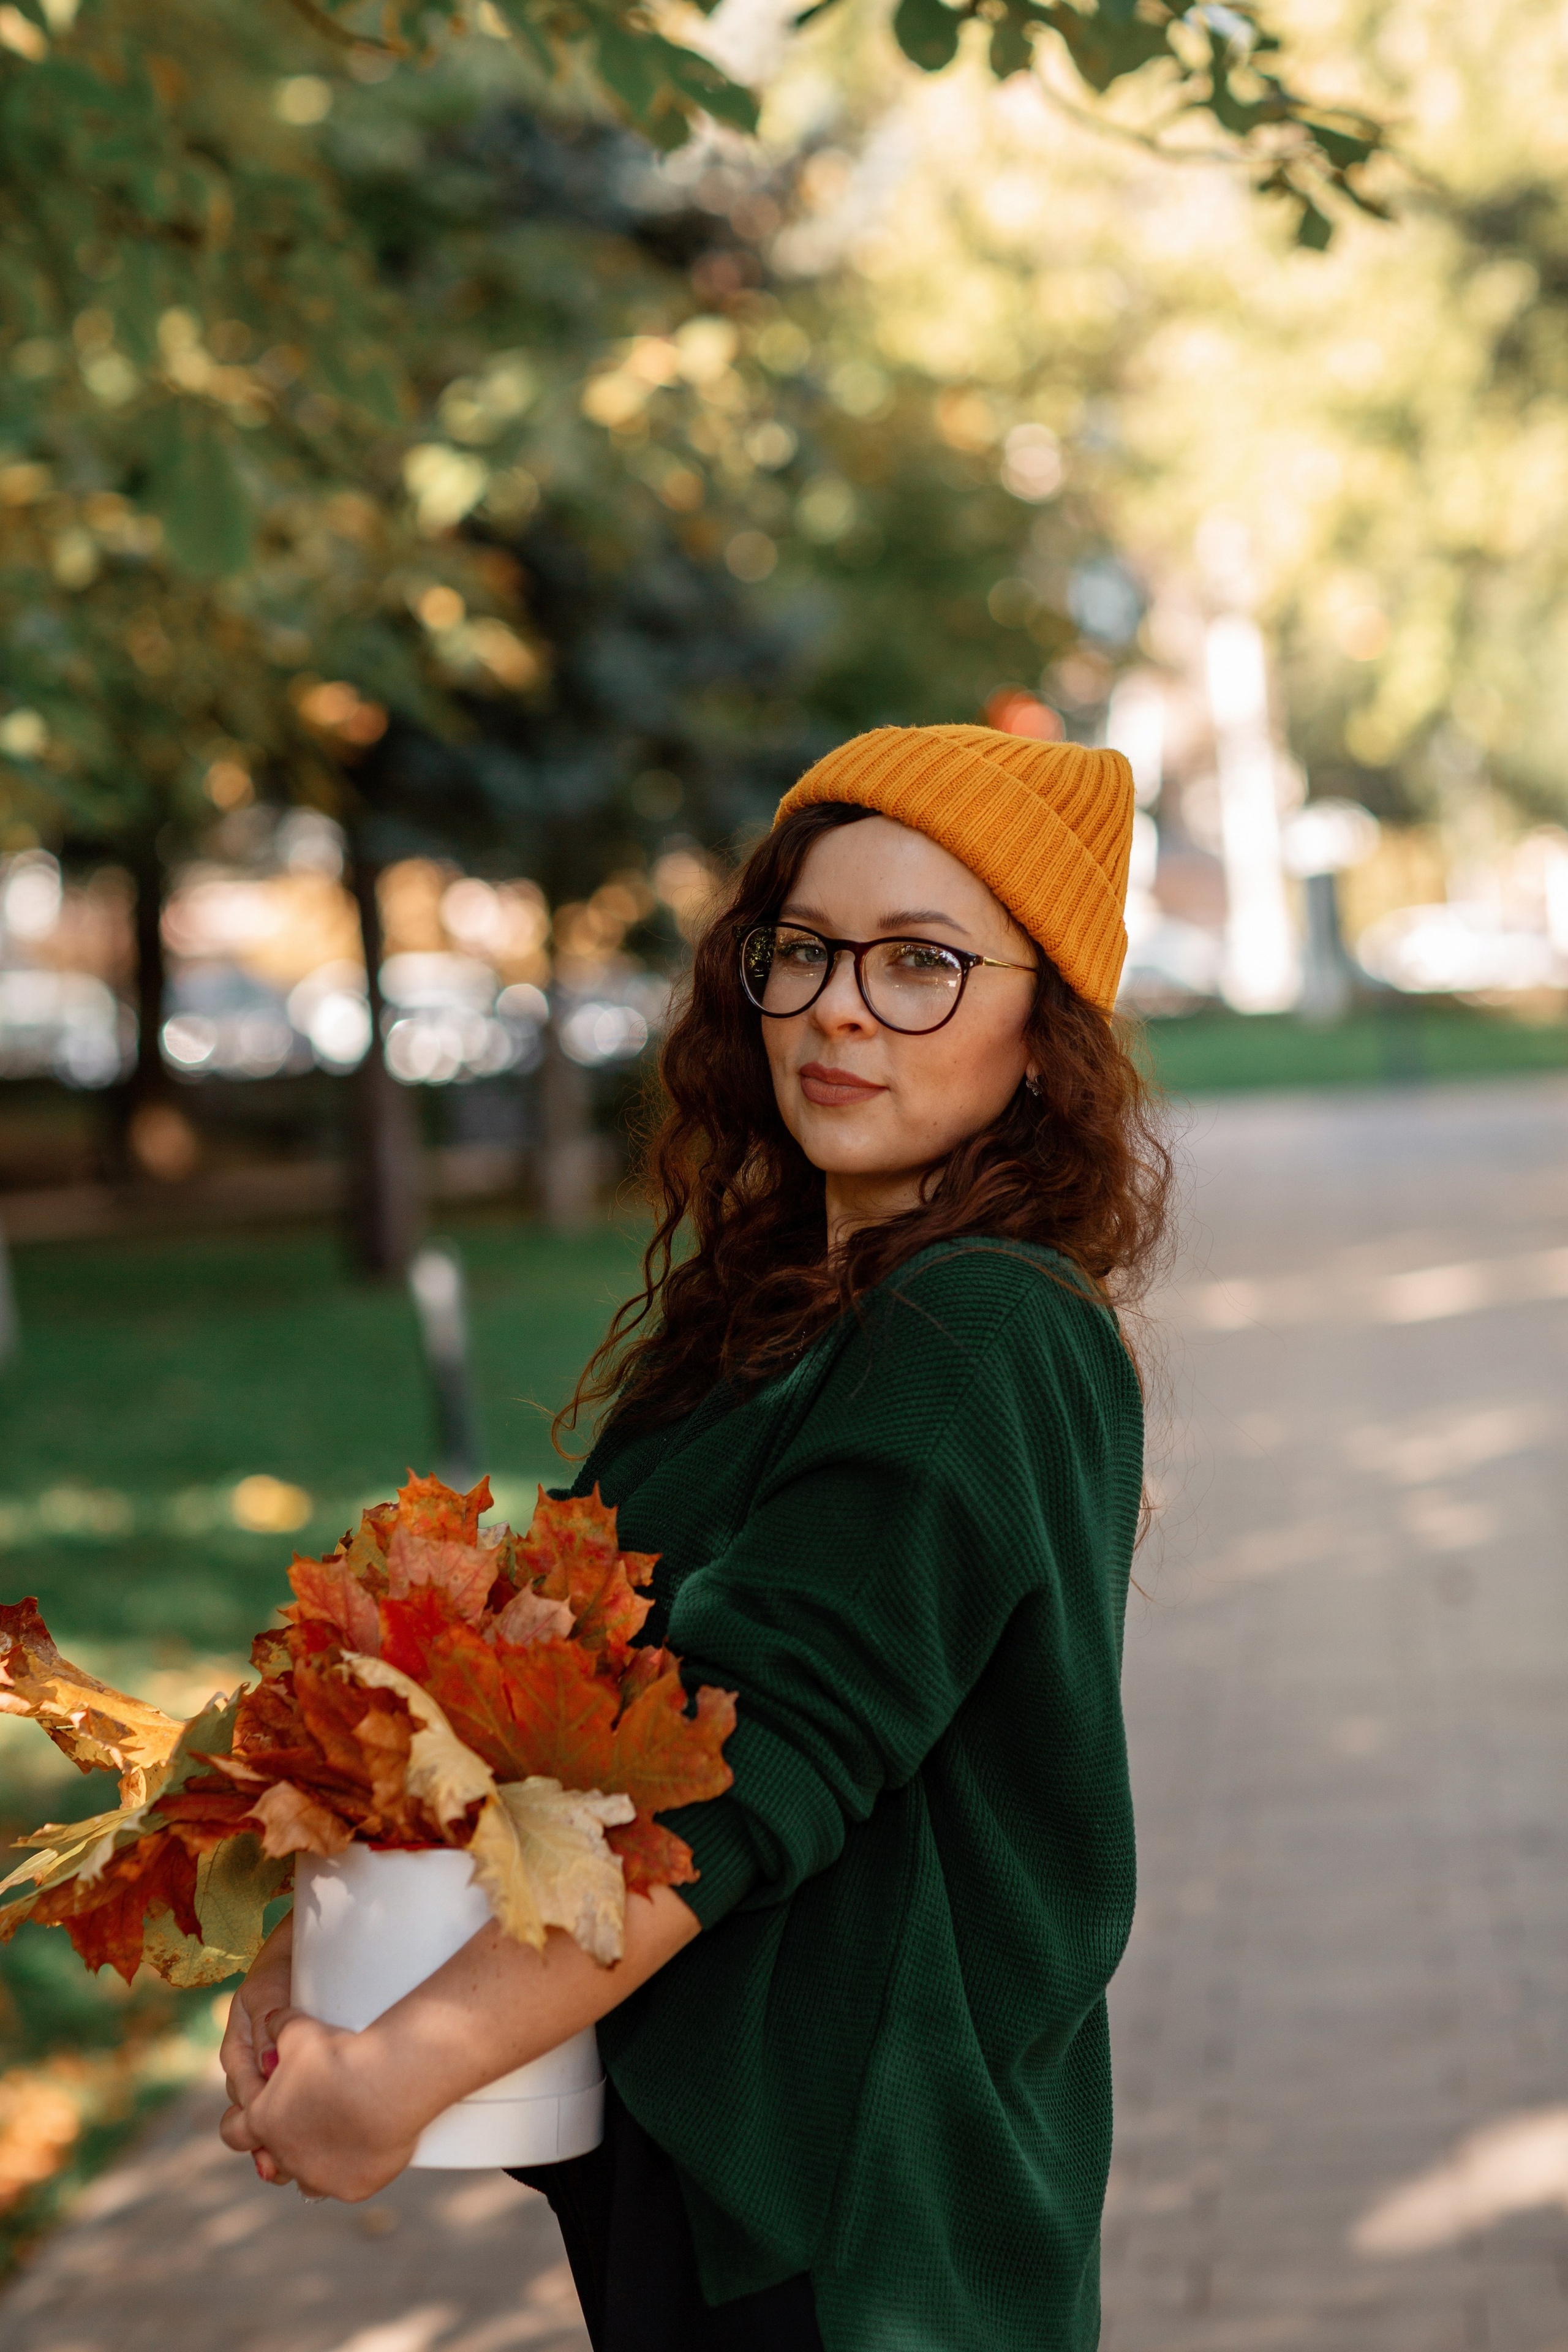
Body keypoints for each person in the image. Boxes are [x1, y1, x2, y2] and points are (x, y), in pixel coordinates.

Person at [221, 723, 1172, 2352]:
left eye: (922, 965)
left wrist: (402, 2071)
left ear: (1042, 1041)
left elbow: (741, 1764)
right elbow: (544, 1712)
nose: (837, 1005)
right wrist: (311, 1954)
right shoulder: (770, 1319)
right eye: (800, 951)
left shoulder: (982, 1335)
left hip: (868, 2238)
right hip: (718, 2187)